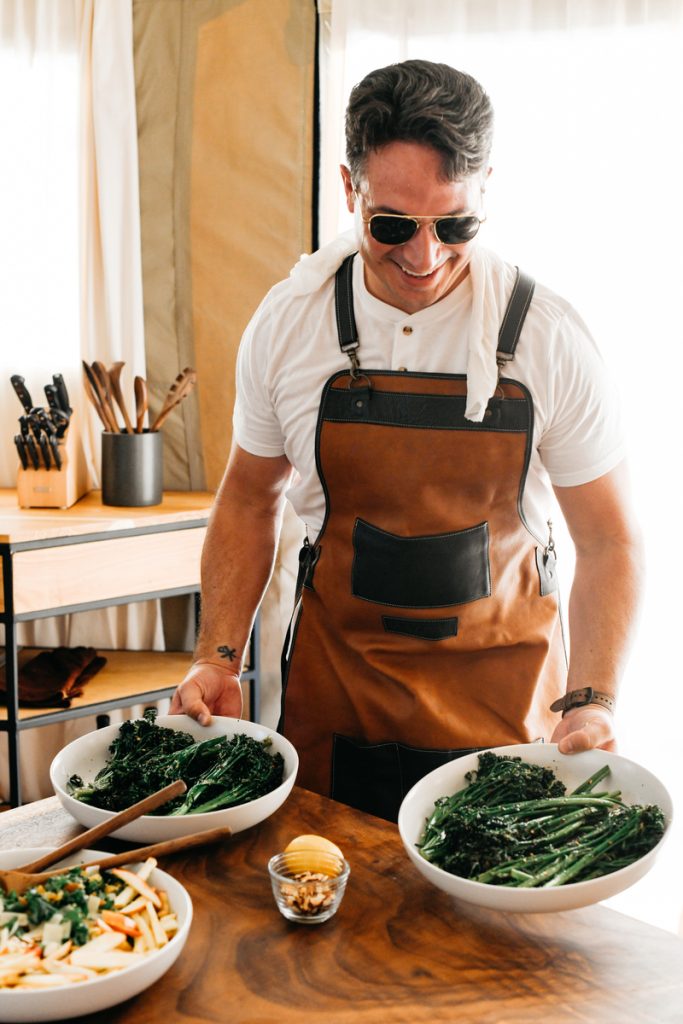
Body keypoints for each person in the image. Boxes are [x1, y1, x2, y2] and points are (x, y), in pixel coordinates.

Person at [170, 60, 643, 822]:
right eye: (391, 225)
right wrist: (217, 655)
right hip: (340, 699)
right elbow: (248, 495)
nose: (423, 258)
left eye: (453, 225)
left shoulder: (548, 336)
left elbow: (610, 538)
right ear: (348, 189)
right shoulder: (290, 323)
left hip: (509, 710)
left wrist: (591, 699)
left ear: (485, 186)